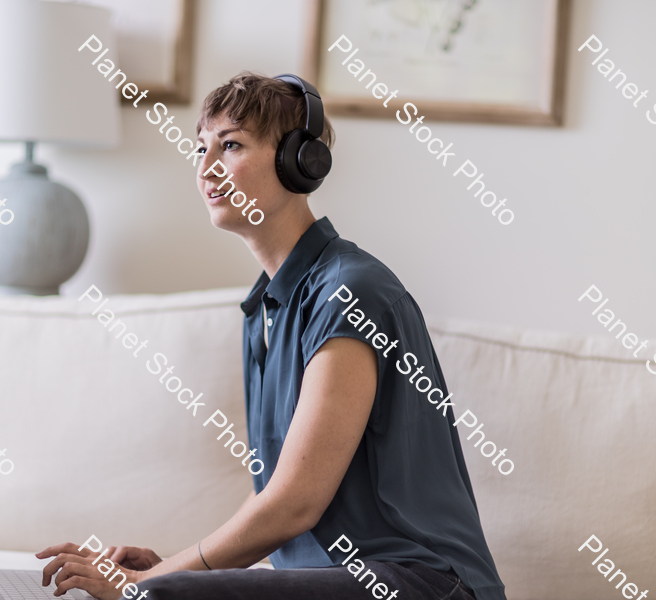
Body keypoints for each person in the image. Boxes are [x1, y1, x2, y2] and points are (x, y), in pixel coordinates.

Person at [37, 72, 507, 600]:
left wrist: (157, 581)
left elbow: (294, 503)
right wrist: (171, 566)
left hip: (418, 584)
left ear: (300, 162)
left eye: (231, 145)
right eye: (200, 148)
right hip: (336, 582)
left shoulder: (351, 293)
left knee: (152, 597)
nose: (207, 168)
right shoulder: (265, 308)